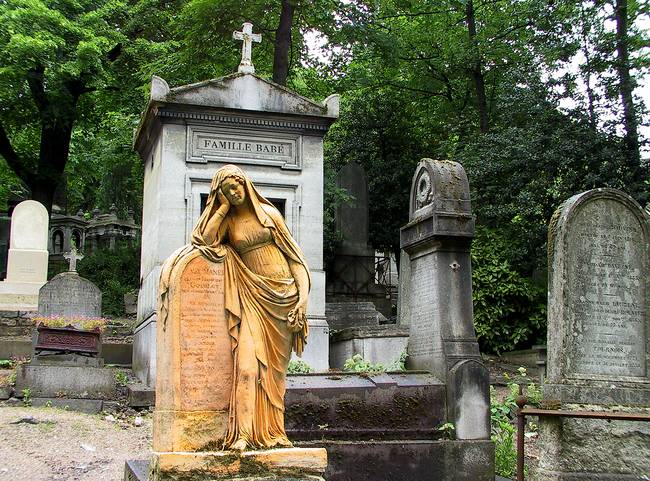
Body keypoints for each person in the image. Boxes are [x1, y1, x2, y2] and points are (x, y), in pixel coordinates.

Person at [162, 164, 310, 451]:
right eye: (228, 189)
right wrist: (221, 207)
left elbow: (296, 261)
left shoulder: (269, 216)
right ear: (221, 194)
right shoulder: (228, 222)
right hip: (253, 299)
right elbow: (203, 239)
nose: (235, 192)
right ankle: (243, 435)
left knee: (274, 376)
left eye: (238, 185)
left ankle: (274, 433)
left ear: (247, 185)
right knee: (246, 369)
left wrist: (303, 298)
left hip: (284, 299)